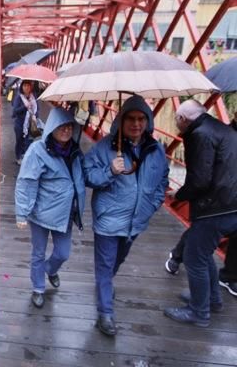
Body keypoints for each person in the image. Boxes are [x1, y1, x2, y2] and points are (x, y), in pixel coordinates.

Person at [84, 95, 169, 336]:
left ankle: (105, 285)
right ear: (120, 121)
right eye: (130, 118)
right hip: (109, 220)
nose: (136, 124)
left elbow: (162, 180)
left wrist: (152, 205)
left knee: (117, 261)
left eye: (142, 118)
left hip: (136, 222)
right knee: (105, 264)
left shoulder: (156, 150)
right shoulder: (104, 148)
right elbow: (88, 176)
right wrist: (110, 171)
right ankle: (106, 314)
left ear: (148, 121)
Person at [163, 100, 237, 327]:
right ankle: (211, 299)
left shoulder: (200, 135)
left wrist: (180, 195)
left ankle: (199, 311)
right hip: (230, 204)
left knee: (194, 257)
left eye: (177, 120)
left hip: (215, 207)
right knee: (204, 254)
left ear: (183, 119)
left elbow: (200, 180)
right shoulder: (221, 128)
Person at [15, 107, 86, 309]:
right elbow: (26, 181)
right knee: (38, 252)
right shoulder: (38, 150)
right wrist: (22, 212)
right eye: (61, 126)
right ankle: (38, 288)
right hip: (40, 213)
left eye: (69, 127)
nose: (65, 131)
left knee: (63, 253)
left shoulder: (75, 151)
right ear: (52, 127)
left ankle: (50, 269)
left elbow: (85, 176)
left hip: (65, 213)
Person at [12, 80, 39, 165]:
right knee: (19, 140)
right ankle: (18, 157)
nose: (26, 87)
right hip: (20, 124)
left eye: (28, 86)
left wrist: (36, 115)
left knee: (27, 141)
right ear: (22, 87)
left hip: (29, 124)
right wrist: (25, 106)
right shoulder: (19, 98)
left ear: (31, 87)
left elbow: (37, 109)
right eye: (25, 86)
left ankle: (25, 156)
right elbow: (15, 111)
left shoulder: (33, 97)